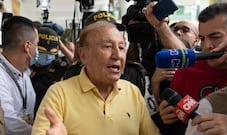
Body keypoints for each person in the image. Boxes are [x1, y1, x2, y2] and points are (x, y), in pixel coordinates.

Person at [32, 21, 161, 135]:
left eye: (122, 47)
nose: (117, 55)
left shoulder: (133, 92)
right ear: (83, 55)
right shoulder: (59, 94)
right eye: (107, 46)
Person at [143, 1, 227, 135]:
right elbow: (172, 115)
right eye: (202, 38)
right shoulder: (187, 72)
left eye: (215, 37)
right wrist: (166, 115)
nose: (207, 46)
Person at [0, 16, 38, 135]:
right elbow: (9, 124)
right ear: (27, 46)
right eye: (36, 45)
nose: (37, 51)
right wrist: (39, 130)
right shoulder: (1, 77)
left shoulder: (24, 74)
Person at [31, 26, 69, 116]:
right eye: (43, 51)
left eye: (51, 52)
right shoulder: (26, 68)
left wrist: (63, 47)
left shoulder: (60, 68)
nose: (48, 56)